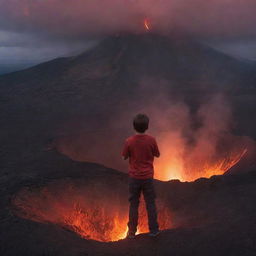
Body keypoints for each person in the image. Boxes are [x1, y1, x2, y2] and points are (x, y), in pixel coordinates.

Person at [122, 113, 160, 239]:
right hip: (148, 177)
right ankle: (154, 230)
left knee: (134, 204)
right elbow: (157, 154)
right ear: (147, 126)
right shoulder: (151, 140)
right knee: (150, 203)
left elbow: (124, 156)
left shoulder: (129, 141)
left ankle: (132, 232)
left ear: (134, 126)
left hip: (134, 178)